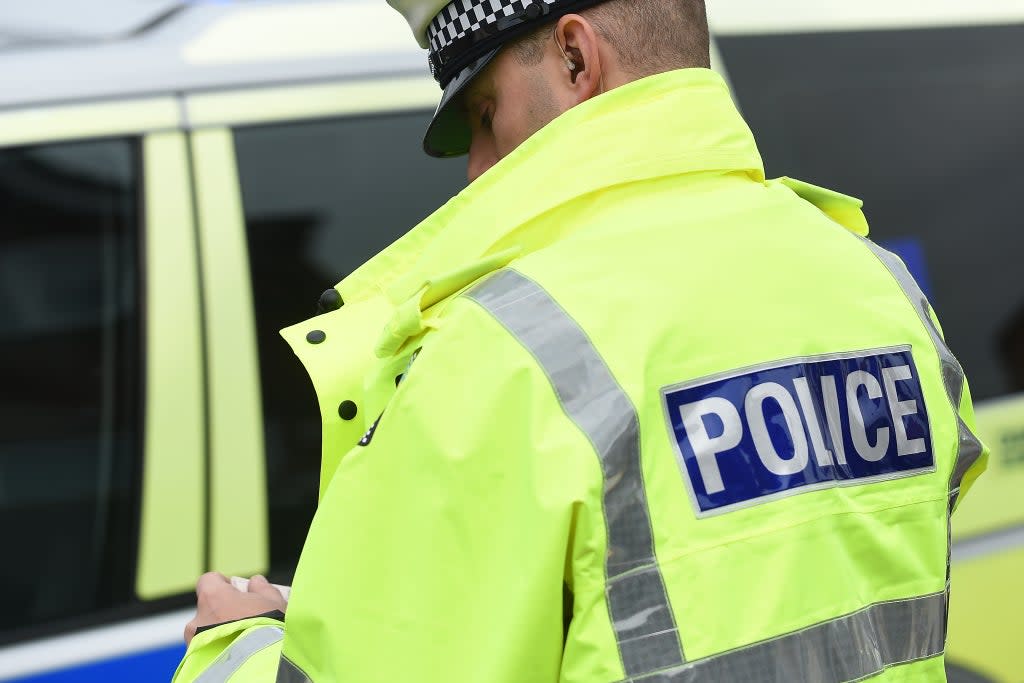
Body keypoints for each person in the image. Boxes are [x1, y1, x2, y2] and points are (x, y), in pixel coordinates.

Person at [173, 0, 989, 681]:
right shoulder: (883, 289)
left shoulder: (495, 354)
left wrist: (235, 645)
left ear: (574, 56)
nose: (476, 171)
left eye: (485, 115)